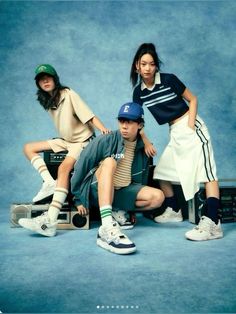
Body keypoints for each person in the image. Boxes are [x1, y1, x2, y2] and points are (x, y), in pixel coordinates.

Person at [130, 43, 223, 241]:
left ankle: (213, 222)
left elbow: (193, 99)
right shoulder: (139, 92)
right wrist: (146, 141)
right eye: (143, 64)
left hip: (191, 125)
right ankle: (173, 210)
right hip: (174, 131)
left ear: (156, 66)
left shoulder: (169, 79)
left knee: (208, 173)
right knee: (161, 172)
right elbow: (137, 121)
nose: (147, 68)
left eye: (152, 64)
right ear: (136, 66)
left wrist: (190, 126)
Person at [19, 64, 110, 237]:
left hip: (82, 141)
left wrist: (103, 129)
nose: (45, 81)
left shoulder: (69, 94)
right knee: (28, 148)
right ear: (38, 84)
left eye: (48, 77)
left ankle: (50, 221)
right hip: (66, 141)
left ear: (55, 79)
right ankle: (49, 183)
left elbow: (89, 116)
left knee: (63, 168)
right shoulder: (47, 100)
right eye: (41, 79)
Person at [71, 102, 164, 254]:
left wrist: (146, 141)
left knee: (157, 197)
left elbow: (141, 178)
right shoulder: (106, 140)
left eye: (129, 121)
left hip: (122, 190)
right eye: (121, 121)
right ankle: (106, 226)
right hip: (97, 189)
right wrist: (77, 198)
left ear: (139, 125)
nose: (124, 126)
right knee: (109, 161)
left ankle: (118, 210)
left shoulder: (143, 147)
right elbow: (81, 167)